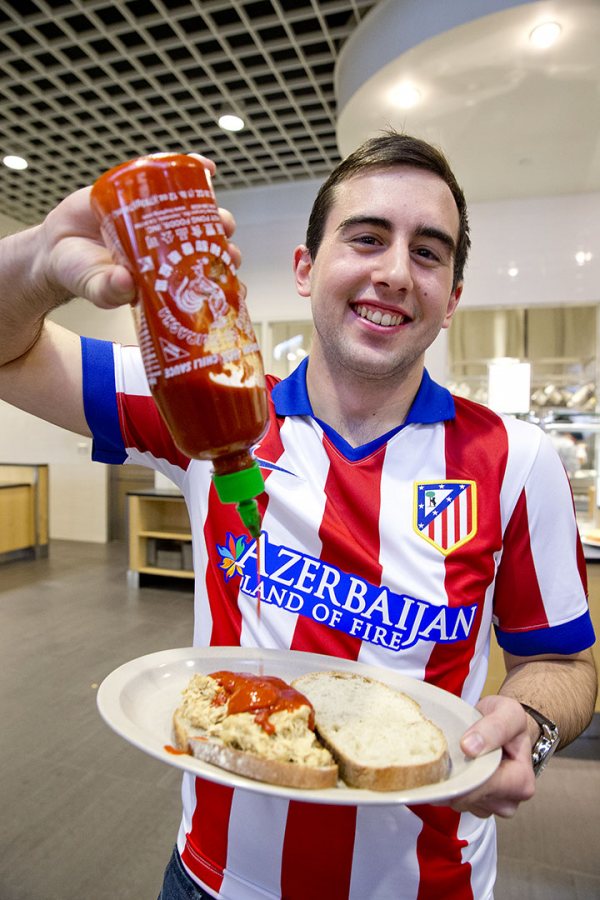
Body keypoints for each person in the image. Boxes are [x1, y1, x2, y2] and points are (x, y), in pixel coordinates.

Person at [0, 131, 596, 900]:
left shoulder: (515, 459)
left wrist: (532, 729)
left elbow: (561, 664)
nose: (393, 272)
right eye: (368, 238)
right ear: (306, 269)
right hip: (215, 881)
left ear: (451, 300)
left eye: (428, 252)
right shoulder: (202, 403)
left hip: (429, 886)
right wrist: (43, 258)